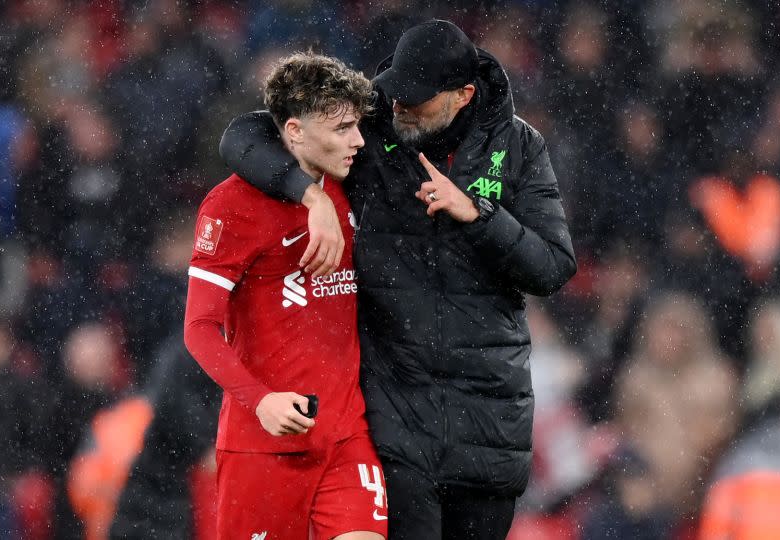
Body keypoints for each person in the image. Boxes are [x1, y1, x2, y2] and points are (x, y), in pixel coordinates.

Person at [219, 20, 577, 539]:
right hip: (396, 419)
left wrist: (477, 214)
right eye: (398, 95)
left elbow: (552, 268)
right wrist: (309, 194)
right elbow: (245, 136)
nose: (401, 108)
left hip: (489, 422)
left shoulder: (520, 148)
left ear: (463, 95)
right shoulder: (370, 131)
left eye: (418, 101)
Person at [183, 52, 387, 540]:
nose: (357, 140)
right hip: (265, 444)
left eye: (357, 126)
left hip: (345, 435)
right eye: (341, 128)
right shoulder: (230, 206)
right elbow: (199, 328)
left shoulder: (352, 185)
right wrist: (260, 401)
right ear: (294, 132)